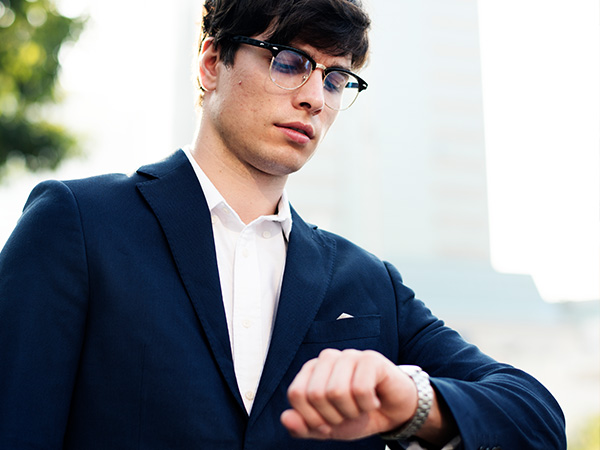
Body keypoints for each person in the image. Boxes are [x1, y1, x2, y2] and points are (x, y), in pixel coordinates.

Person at [0, 0, 566, 449]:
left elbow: (535, 417)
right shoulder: (77, 225)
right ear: (211, 62)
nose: (315, 98)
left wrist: (411, 401)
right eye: (289, 61)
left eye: (336, 79)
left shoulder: (369, 284)